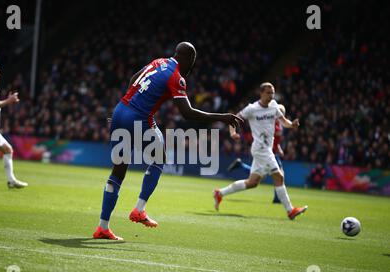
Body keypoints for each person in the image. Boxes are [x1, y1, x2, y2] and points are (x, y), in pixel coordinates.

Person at [92, 42, 242, 240]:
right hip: (138, 117)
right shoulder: (176, 77)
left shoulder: (158, 62)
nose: (192, 67)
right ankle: (139, 210)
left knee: (118, 169)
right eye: (193, 62)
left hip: (120, 111)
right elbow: (187, 113)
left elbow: (133, 79)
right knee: (160, 158)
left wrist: (128, 107)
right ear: (187, 58)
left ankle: (103, 227)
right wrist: (222, 117)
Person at [213, 82, 307, 220]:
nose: (271, 95)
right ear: (261, 93)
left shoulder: (274, 106)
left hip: (265, 149)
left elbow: (283, 121)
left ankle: (219, 193)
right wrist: (233, 132)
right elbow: (234, 119)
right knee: (279, 176)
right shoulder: (252, 108)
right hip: (261, 148)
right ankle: (290, 210)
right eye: (268, 92)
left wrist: (291, 125)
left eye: (273, 92)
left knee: (252, 183)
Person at [227, 104, 287, 203]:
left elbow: (275, 140)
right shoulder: (271, 123)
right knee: (279, 174)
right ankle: (278, 199)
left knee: (259, 177)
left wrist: (279, 148)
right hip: (267, 152)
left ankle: (240, 165)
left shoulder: (279, 124)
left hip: (272, 151)